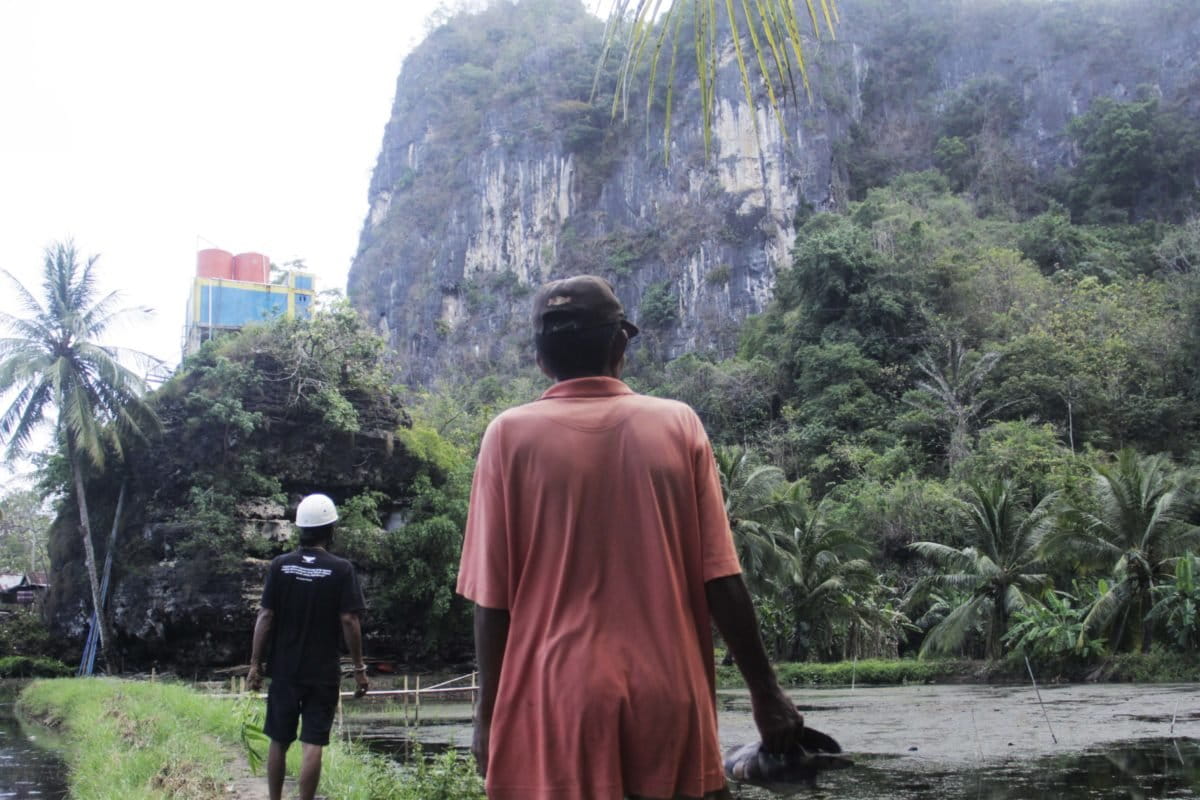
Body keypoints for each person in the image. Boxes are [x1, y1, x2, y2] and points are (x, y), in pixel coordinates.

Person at [457, 275, 806, 800]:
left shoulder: (507, 437)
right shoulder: (678, 425)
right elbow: (722, 579)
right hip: (668, 698)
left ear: (540, 359)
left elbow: (492, 601)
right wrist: (766, 692)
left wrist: (487, 717)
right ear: (620, 344)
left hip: (553, 704)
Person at [247, 493, 368, 800]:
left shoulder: (280, 566)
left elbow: (265, 616)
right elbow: (349, 620)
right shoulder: (341, 570)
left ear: (300, 529)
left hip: (285, 669)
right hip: (323, 672)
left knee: (279, 739)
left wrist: (254, 665)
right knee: (313, 742)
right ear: (330, 530)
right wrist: (359, 668)